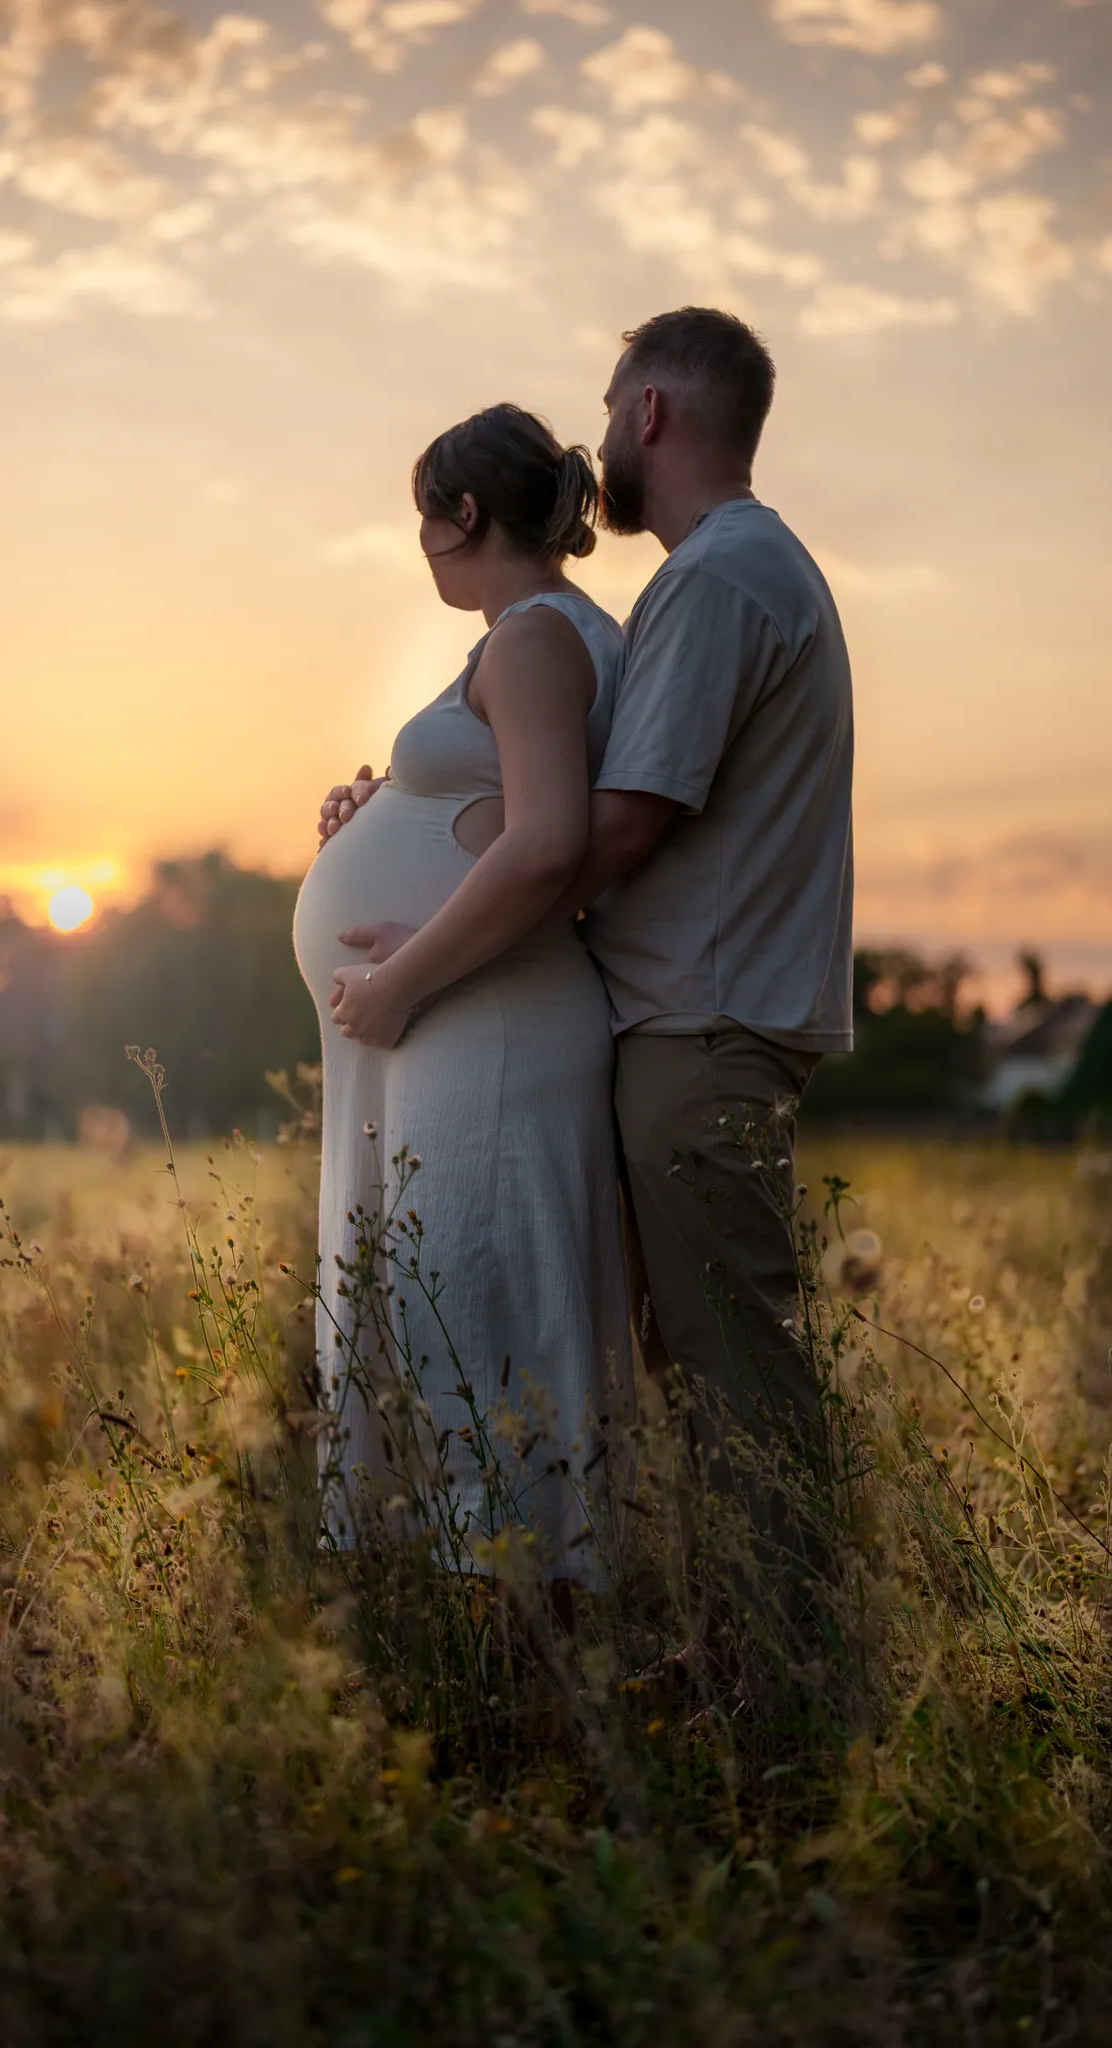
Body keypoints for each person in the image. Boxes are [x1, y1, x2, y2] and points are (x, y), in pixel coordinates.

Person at [323, 308, 855, 1660]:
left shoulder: (714, 580)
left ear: (653, 412)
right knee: (694, 1361)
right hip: (684, 1017)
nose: (602, 433)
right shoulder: (698, 585)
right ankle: (739, 1653)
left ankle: (790, 1676)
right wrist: (409, 824)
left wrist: (420, 946)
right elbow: (564, 808)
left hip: (702, 1020)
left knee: (729, 1367)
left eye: (617, 404)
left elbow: (594, 836)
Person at [292, 404, 632, 1586]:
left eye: (424, 519)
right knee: (447, 1312)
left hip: (483, 1024)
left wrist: (399, 977)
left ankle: (511, 1628)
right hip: (461, 1016)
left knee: (473, 1326)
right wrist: (389, 808)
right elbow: (493, 811)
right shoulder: (534, 636)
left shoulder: (534, 637)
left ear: (465, 514)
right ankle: (474, 1616)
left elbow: (545, 841)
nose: (422, 546)